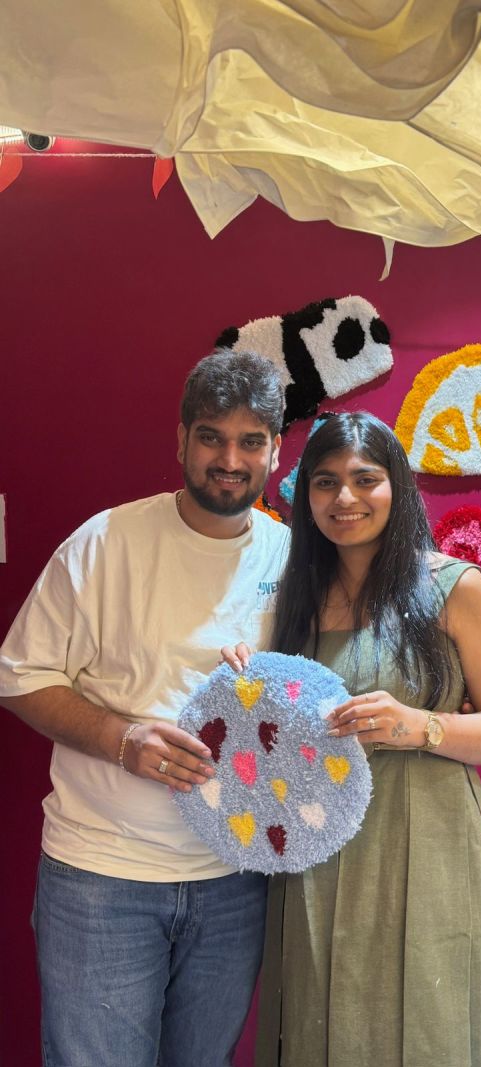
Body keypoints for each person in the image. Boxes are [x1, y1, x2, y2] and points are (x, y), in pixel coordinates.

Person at [0, 349, 289, 1067]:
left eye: (250, 441)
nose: (230, 459)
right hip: (103, 874)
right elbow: (19, 676)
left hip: (234, 879)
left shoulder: (292, 557)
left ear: (276, 451)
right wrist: (121, 738)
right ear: (182, 439)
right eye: (211, 437)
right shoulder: (103, 544)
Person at [222, 411, 481, 1066]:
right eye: (325, 482)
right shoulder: (296, 597)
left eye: (365, 479)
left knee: (428, 1020)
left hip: (428, 837)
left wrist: (419, 725)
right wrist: (250, 683)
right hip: (319, 842)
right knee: (322, 1018)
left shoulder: (452, 586)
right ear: (306, 496)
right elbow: (277, 736)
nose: (345, 498)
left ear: (397, 487)